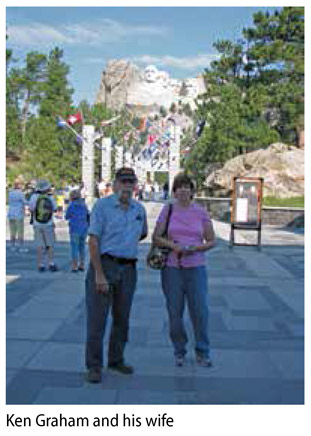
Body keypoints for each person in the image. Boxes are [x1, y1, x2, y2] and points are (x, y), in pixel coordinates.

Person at [85, 167, 148, 383]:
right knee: (97, 319)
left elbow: (142, 234)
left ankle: (116, 359)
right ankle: (94, 365)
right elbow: (93, 241)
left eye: (131, 182)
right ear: (115, 184)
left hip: (128, 268)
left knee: (122, 318)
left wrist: (125, 248)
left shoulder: (139, 210)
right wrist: (99, 275)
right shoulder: (102, 207)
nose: (127, 186)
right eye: (123, 181)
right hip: (105, 264)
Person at [152, 173, 216, 367]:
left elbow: (211, 240)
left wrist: (196, 248)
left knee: (200, 311)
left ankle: (202, 351)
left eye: (186, 186)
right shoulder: (168, 209)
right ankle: (179, 349)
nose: (183, 190)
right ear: (174, 191)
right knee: (174, 312)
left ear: (192, 190)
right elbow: (156, 237)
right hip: (172, 268)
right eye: (179, 187)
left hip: (196, 267)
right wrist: (174, 246)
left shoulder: (201, 212)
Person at [29, 180, 58, 272]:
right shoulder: (50, 197)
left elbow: (31, 209)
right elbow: (55, 209)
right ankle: (51, 263)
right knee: (50, 244)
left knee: (39, 245)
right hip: (48, 223)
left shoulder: (33, 197)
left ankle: (41, 264)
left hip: (37, 223)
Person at [65, 189, 90, 272]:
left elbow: (67, 216)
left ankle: (75, 265)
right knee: (82, 247)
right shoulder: (84, 205)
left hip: (75, 228)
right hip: (84, 227)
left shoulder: (71, 205)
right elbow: (87, 214)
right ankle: (82, 264)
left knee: (74, 247)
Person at [7, 179, 28, 252]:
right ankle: (21, 247)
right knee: (20, 231)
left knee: (12, 231)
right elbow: (25, 202)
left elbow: (9, 202)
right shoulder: (20, 193)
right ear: (19, 185)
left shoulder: (10, 193)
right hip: (18, 214)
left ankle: (12, 246)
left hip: (11, 214)